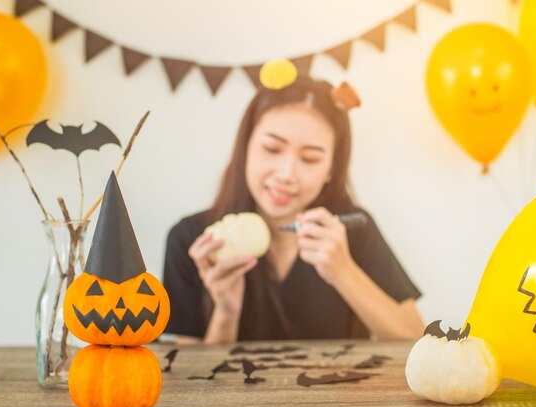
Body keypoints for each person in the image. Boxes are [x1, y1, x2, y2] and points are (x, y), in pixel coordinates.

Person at [162, 75, 423, 344]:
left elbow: (413, 338)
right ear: (246, 146)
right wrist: (226, 312)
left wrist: (343, 272)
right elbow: (193, 380)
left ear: (331, 168)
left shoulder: (352, 229)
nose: (287, 174)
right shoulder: (192, 239)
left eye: (310, 158)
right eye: (272, 148)